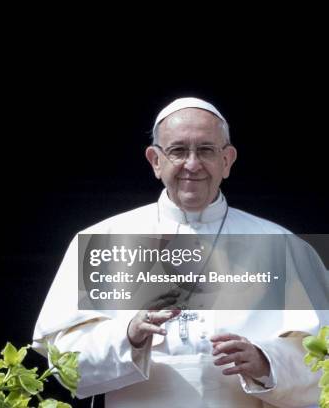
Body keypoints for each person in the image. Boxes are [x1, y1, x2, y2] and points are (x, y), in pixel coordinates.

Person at [32, 97, 328, 408]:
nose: (192, 164)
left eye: (206, 150)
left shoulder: (283, 245)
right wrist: (128, 335)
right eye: (177, 151)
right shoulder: (102, 240)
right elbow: (63, 361)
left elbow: (321, 360)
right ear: (155, 161)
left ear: (227, 160)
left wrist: (266, 363)